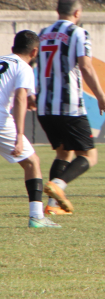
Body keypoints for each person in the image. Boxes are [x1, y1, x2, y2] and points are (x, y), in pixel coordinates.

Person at [37, 0, 105, 215]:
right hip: (69, 106)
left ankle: (52, 207)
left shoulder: (42, 34)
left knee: (63, 153)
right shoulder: (78, 33)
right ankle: (57, 186)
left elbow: (35, 64)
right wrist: (101, 95)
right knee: (89, 156)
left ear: (57, 10)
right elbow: (86, 66)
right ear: (77, 12)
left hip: (44, 107)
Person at [0, 31, 60, 228]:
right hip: (1, 121)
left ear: (12, 48)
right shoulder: (24, 67)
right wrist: (18, 135)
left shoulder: (3, 61)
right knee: (32, 162)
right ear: (35, 51)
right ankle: (37, 217)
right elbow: (19, 98)